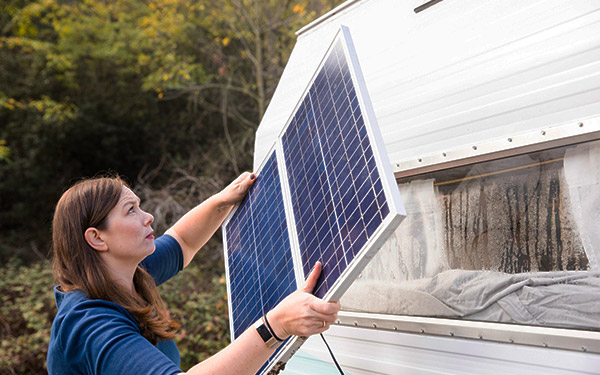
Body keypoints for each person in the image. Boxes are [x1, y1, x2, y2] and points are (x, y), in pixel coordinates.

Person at [47, 172, 340, 375]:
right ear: (97, 239)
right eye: (131, 210)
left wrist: (222, 201)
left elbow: (183, 241)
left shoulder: (125, 273)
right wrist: (275, 326)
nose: (148, 216)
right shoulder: (90, 325)